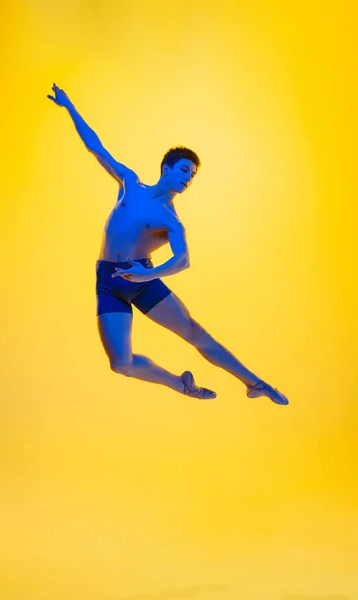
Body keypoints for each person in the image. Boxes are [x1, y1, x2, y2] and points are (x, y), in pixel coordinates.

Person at [47, 83, 289, 405]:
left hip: (142, 280)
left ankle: (257, 384)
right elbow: (96, 147)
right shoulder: (129, 183)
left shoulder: (171, 221)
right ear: (166, 168)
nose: (189, 178)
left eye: (192, 175)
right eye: (185, 170)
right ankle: (180, 384)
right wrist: (70, 107)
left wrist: (146, 276)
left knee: (194, 332)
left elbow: (182, 260)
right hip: (109, 280)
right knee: (121, 364)